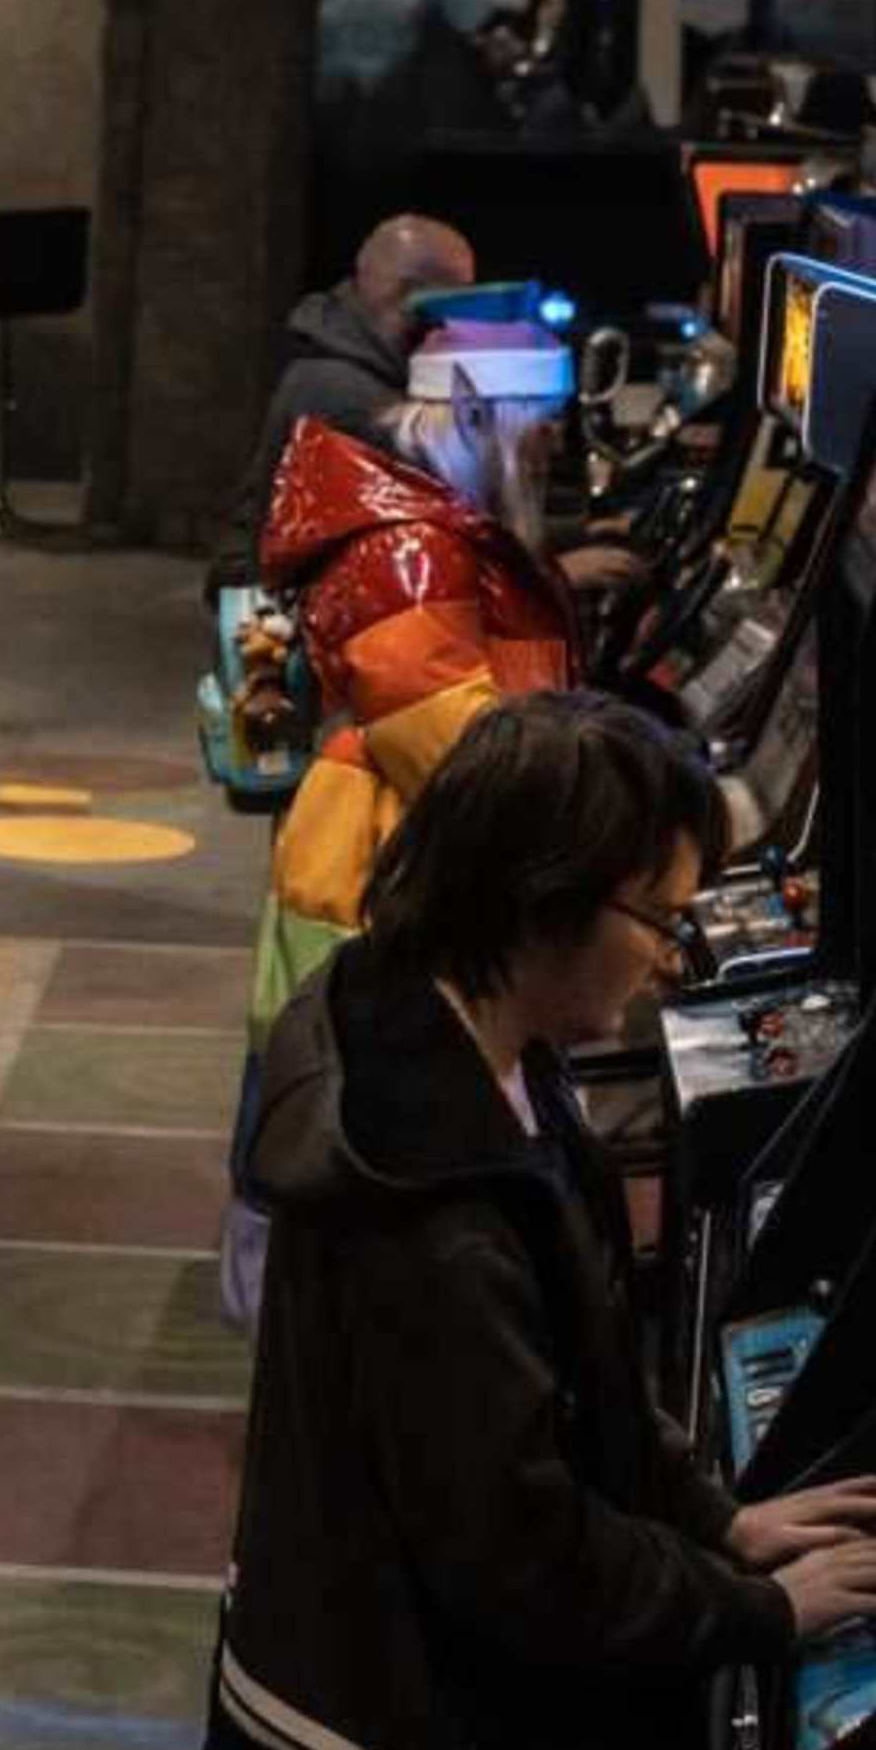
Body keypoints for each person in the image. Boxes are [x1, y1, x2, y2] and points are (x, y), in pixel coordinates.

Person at [207, 691, 876, 1750]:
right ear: (543, 898)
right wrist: (760, 1611)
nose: (671, 951)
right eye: (655, 914)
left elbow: (576, 1374)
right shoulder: (430, 1198)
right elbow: (523, 1554)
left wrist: (721, 1521)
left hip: (389, 1705)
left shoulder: (449, 1036)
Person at [217, 311, 580, 1327]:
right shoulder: (404, 547)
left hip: (395, 875)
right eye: (539, 417)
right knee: (354, 1169)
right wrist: (624, 801)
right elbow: (462, 751)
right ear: (476, 407)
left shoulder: (423, 523)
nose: (556, 441)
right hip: (376, 890)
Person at [205, 213, 473, 594]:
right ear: (410, 295)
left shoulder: (339, 362)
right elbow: (450, 522)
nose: (460, 324)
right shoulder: (346, 395)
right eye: (459, 299)